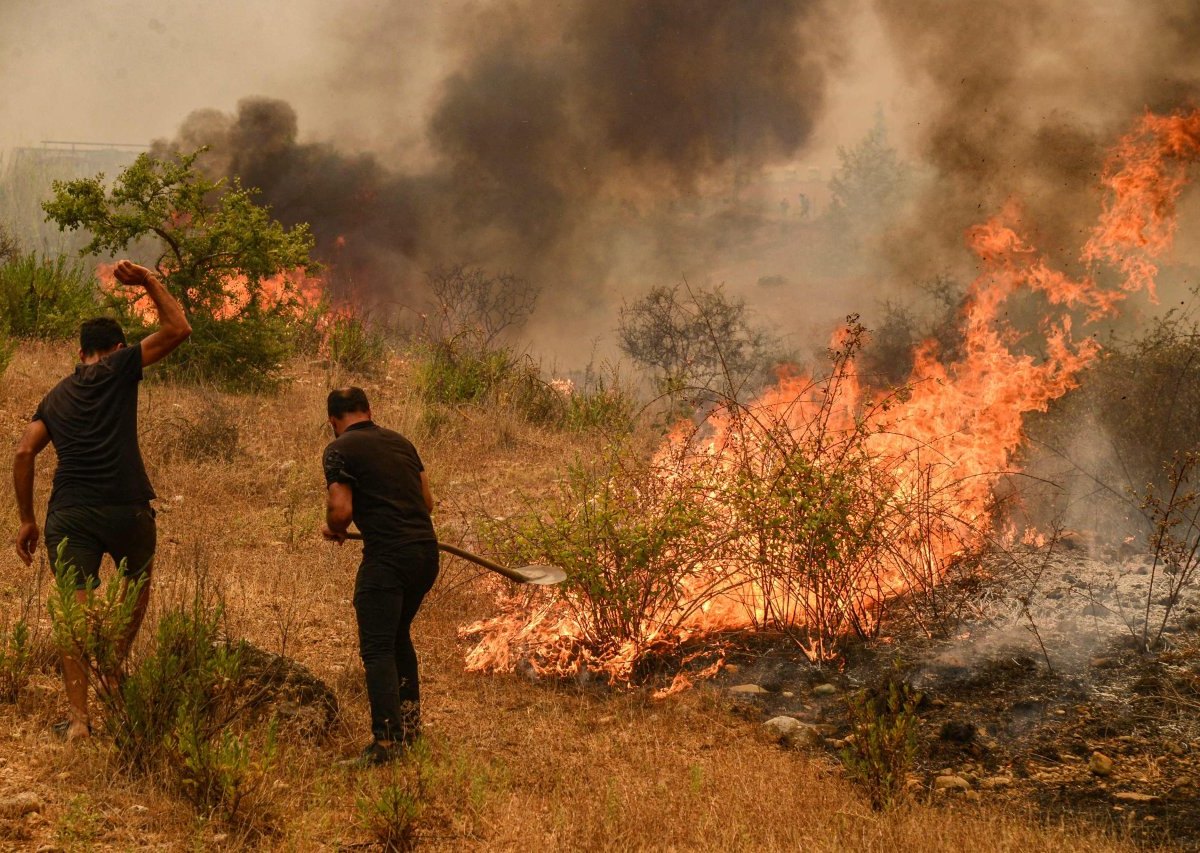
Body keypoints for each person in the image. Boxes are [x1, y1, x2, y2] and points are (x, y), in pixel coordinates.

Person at [12, 260, 191, 741]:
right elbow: (179, 328)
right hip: (127, 507)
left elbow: (25, 451)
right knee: (137, 588)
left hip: (69, 514)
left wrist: (27, 520)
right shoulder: (120, 366)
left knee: (75, 613)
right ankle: (113, 667)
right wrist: (150, 281)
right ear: (115, 350)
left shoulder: (55, 396)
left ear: (79, 352)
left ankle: (78, 720)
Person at [321, 387, 439, 766]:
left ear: (333, 421)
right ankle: (409, 728)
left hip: (388, 558)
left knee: (377, 648)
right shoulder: (401, 442)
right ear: (370, 411)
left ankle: (386, 744)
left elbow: (340, 511)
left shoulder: (339, 449)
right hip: (425, 554)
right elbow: (427, 503)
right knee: (397, 636)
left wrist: (334, 527)